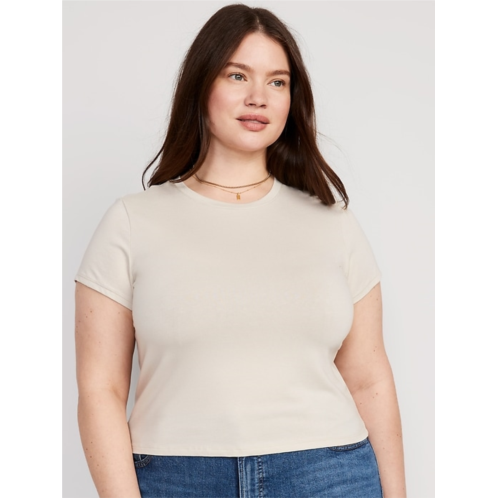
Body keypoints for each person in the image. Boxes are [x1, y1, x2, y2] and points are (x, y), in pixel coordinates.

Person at [75, 4, 407, 497]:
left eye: (277, 82)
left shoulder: (333, 223)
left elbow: (369, 378)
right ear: (201, 84)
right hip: (177, 477)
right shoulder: (130, 222)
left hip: (329, 474)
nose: (258, 97)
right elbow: (100, 390)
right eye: (237, 75)